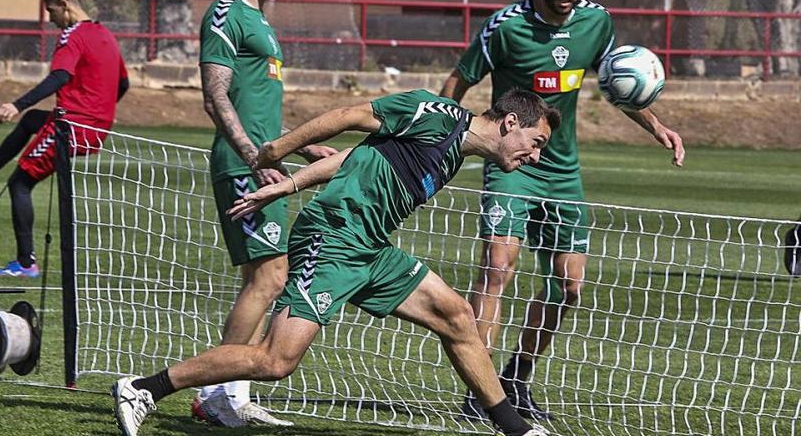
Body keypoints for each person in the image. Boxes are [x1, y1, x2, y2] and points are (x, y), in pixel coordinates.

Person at [113, 88, 559, 436]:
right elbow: (350, 116)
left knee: (458, 316)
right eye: (535, 142)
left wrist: (289, 186)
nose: (535, 156)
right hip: (332, 238)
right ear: (510, 122)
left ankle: (515, 428)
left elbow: (354, 158)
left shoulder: (451, 154)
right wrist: (278, 151)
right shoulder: (436, 114)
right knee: (275, 361)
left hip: (369, 249)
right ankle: (144, 389)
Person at [440, 0, 686, 422]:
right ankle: (481, 389)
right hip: (511, 165)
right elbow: (456, 84)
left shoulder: (597, 22)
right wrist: (452, 139)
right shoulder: (506, 27)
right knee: (498, 267)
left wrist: (658, 127)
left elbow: (621, 82)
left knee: (568, 286)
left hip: (562, 171)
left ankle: (516, 379)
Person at [192, 0, 335, 426]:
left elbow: (257, 107)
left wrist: (301, 146)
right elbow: (215, 95)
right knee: (272, 277)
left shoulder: (261, 20)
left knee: (261, 280)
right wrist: (254, 158)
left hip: (264, 164)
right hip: (242, 168)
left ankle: (227, 392)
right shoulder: (225, 14)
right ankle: (217, 392)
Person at [0, 0, 128, 278]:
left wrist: (16, 103)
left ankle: (26, 263)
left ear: (65, 6)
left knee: (19, 184)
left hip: (70, 128)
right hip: (95, 129)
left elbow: (59, 77)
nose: (50, 20)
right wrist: (99, 109)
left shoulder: (72, 36)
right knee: (32, 122)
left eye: (51, 12)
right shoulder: (104, 33)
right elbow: (123, 83)